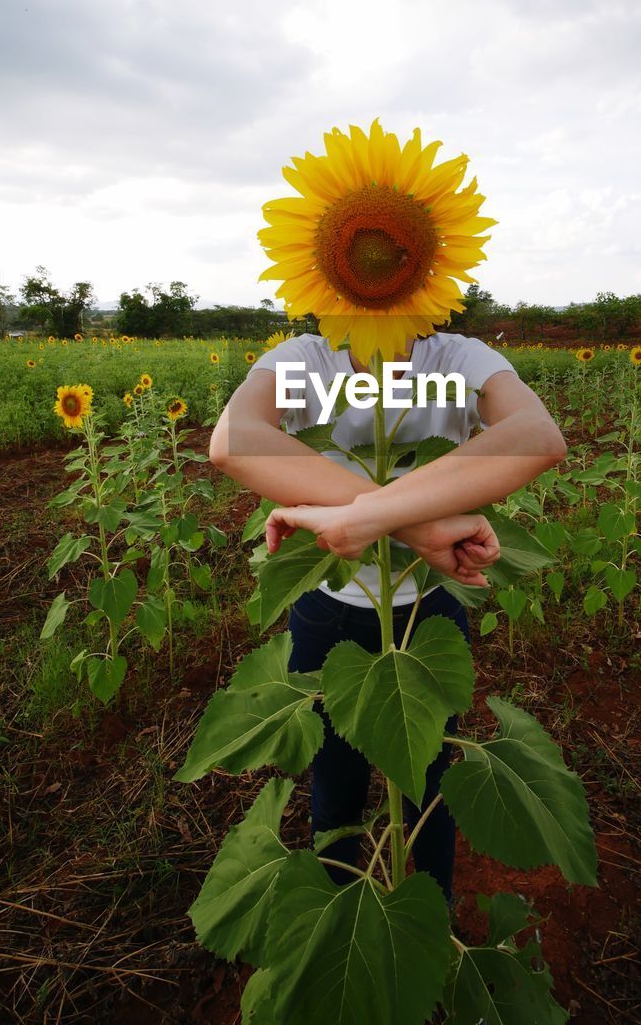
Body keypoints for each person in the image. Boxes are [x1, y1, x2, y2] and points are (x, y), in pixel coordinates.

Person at [207, 327, 567, 908]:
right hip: (331, 606)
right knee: (335, 780)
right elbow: (233, 440)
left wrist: (356, 516)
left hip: (426, 605)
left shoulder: (453, 365)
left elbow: (537, 436)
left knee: (431, 784)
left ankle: (434, 915)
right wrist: (417, 527)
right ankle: (338, 907)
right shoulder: (306, 365)